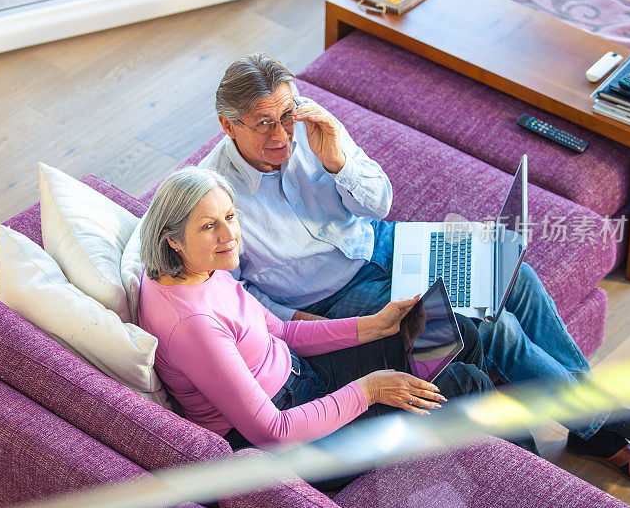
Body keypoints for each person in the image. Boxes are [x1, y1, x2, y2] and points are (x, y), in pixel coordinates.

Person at [197, 52, 630, 483]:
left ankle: (595, 432)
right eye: (263, 124)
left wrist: (338, 161)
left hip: (383, 242)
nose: (281, 135)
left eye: (285, 116)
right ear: (228, 125)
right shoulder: (215, 195)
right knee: (490, 323)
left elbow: (379, 204)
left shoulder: (310, 122)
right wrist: (300, 323)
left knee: (514, 275)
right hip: (334, 297)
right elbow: (232, 292)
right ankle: (618, 426)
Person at [137, 167, 511, 489]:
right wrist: (369, 391)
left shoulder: (197, 270)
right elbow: (273, 431)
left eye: (230, 216)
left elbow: (281, 332)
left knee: (460, 333)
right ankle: (530, 481)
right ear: (173, 240)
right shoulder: (192, 325)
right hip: (296, 444)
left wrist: (374, 326)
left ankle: (482, 464)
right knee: (465, 383)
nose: (229, 234)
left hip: (301, 376)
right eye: (208, 226)